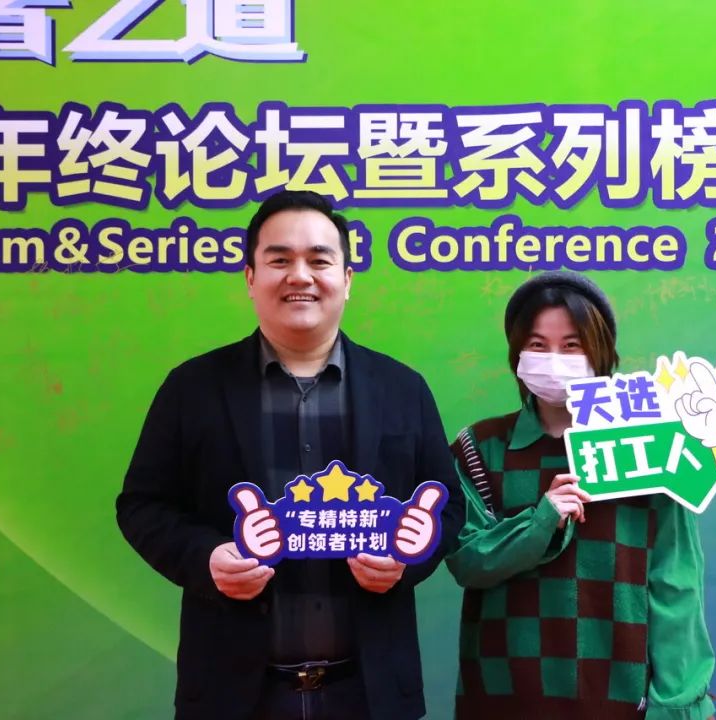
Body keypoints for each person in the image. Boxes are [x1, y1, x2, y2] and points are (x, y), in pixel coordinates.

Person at [117, 190, 464, 720]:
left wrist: (406, 560)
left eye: (319, 260)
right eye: (279, 260)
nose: (300, 276)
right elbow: (142, 505)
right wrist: (206, 559)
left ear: (347, 279)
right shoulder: (193, 388)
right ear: (250, 277)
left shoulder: (402, 389)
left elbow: (448, 506)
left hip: (369, 693)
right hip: (234, 695)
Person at [446, 271, 716, 720]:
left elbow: (676, 583)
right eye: (537, 344)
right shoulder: (480, 447)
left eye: (572, 345)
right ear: (517, 353)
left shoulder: (653, 447)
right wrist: (542, 520)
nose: (553, 360)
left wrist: (677, 704)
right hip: (504, 694)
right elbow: (467, 560)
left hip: (620, 697)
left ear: (601, 351)